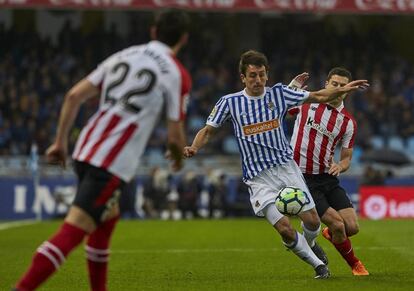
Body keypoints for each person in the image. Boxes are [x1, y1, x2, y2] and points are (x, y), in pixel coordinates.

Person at [14, 9, 191, 291]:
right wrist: (179, 158)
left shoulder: (124, 55)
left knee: (108, 217)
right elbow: (174, 133)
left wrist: (60, 142)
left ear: (153, 32)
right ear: (183, 38)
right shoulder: (176, 73)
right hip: (111, 163)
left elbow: (73, 96)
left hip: (84, 150)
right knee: (72, 231)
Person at [183, 50, 369, 279]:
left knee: (312, 221)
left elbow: (319, 96)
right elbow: (208, 130)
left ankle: (310, 243)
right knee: (284, 228)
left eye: (261, 75)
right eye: (252, 75)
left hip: (286, 168)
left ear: (267, 75)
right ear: (243, 77)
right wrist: (194, 147)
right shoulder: (229, 102)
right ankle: (319, 266)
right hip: (257, 177)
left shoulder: (279, 94)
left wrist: (343, 89)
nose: (257, 80)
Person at [288, 67, 369, 276]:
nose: (338, 88)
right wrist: (293, 87)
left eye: (343, 86)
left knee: (352, 228)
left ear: (348, 90)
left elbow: (347, 158)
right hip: (304, 178)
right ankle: (355, 264)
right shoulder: (308, 103)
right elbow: (280, 106)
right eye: (335, 84)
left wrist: (339, 166)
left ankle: (329, 233)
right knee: (338, 225)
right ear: (326, 84)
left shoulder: (348, 122)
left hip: (328, 178)